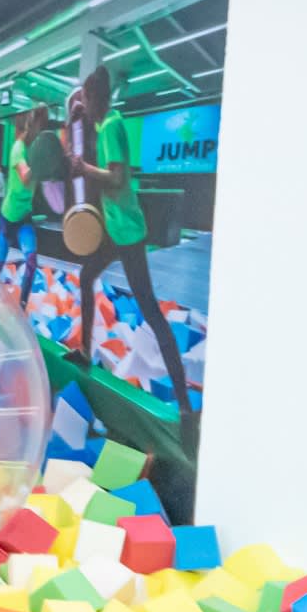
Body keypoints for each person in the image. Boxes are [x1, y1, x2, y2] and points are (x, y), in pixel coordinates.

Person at [67, 64, 193, 418]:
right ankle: (85, 351)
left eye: (86, 99)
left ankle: (183, 400)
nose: (84, 105)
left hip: (127, 233)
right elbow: (98, 140)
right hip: (116, 229)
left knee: (150, 310)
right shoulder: (108, 122)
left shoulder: (111, 126)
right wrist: (79, 114)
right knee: (86, 277)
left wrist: (84, 169)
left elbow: (117, 178)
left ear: (96, 99)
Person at [0, 106, 50, 299]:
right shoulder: (18, 148)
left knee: (31, 263)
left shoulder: (35, 149)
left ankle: (22, 306)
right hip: (9, 216)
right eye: (38, 127)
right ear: (30, 127)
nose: (40, 132)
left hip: (24, 216)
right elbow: (25, 177)